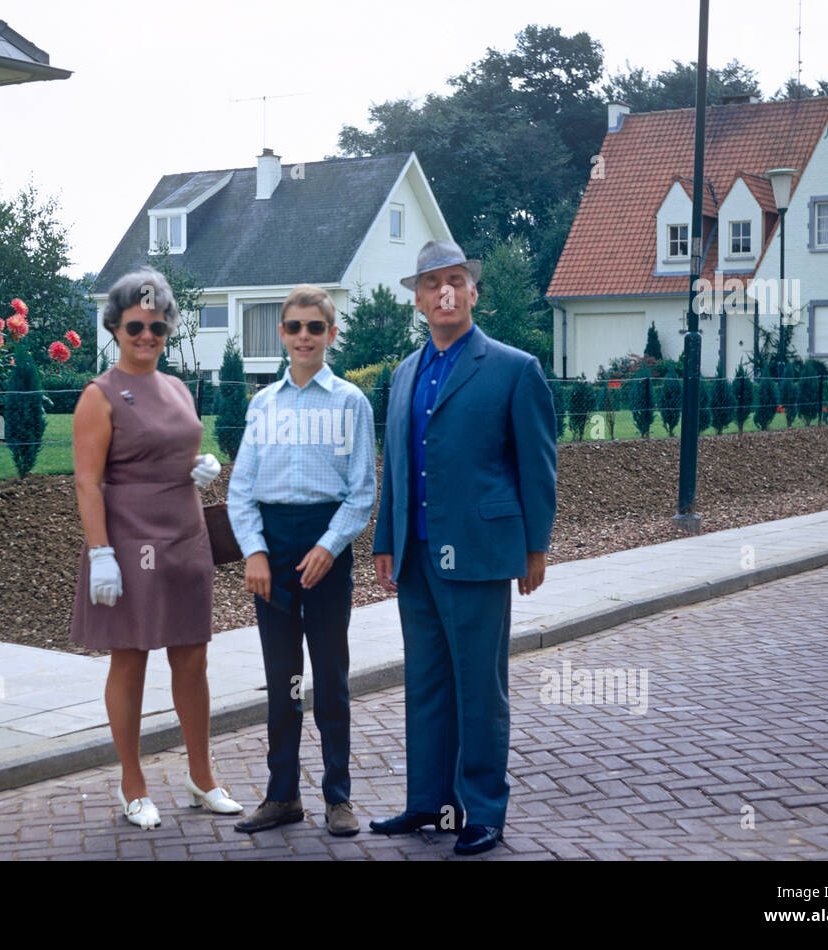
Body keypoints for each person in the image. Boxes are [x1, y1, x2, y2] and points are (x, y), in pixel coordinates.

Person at [369, 239, 557, 856]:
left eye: (455, 280)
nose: (443, 291)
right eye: (431, 283)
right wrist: (385, 540)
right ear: (418, 300)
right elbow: (395, 465)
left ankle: (481, 812)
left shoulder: (513, 368)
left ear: (473, 292)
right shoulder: (402, 374)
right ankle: (430, 802)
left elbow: (537, 466)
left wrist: (535, 547)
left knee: (479, 685)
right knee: (425, 681)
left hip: (478, 551)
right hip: (416, 556)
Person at [70, 268, 242, 829]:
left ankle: (202, 777)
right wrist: (101, 552)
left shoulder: (177, 388)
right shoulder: (99, 395)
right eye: (136, 325)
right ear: (116, 328)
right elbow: (87, 482)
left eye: (159, 326)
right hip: (129, 540)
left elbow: (173, 447)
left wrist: (200, 469)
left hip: (184, 535)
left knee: (193, 657)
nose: (148, 335)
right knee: (131, 656)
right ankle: (132, 784)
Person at [227, 285, 376, 837]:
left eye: (315, 327)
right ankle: (282, 795)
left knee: (331, 677)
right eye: (294, 327)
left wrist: (329, 546)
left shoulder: (350, 403)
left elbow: (362, 491)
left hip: (325, 546)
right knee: (283, 678)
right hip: (274, 547)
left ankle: (338, 796)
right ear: (282, 335)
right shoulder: (262, 405)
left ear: (331, 335)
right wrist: (256, 551)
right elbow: (241, 490)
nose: (304, 337)